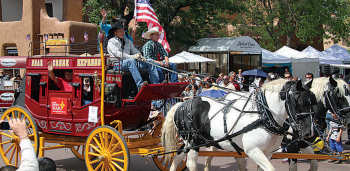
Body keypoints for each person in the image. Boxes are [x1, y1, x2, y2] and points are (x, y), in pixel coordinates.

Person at [107, 22, 148, 91]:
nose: (122, 33)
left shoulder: (128, 41)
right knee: (131, 61)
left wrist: (140, 55)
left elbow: (134, 50)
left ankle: (155, 82)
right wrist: (132, 56)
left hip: (129, 63)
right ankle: (140, 85)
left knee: (148, 62)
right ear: (115, 33)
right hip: (117, 65)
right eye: (120, 31)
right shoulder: (111, 41)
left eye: (123, 31)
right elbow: (118, 53)